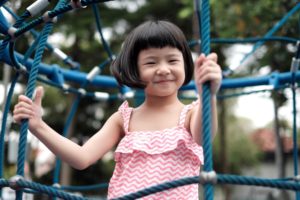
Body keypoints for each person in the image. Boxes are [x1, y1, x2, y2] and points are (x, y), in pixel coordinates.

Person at [13, 20, 222, 199]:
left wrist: (208, 95)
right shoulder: (124, 119)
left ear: (185, 64)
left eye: (172, 60)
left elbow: (204, 136)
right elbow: (81, 157)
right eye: (151, 62)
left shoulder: (191, 114)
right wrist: (39, 126)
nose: (163, 69)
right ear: (135, 69)